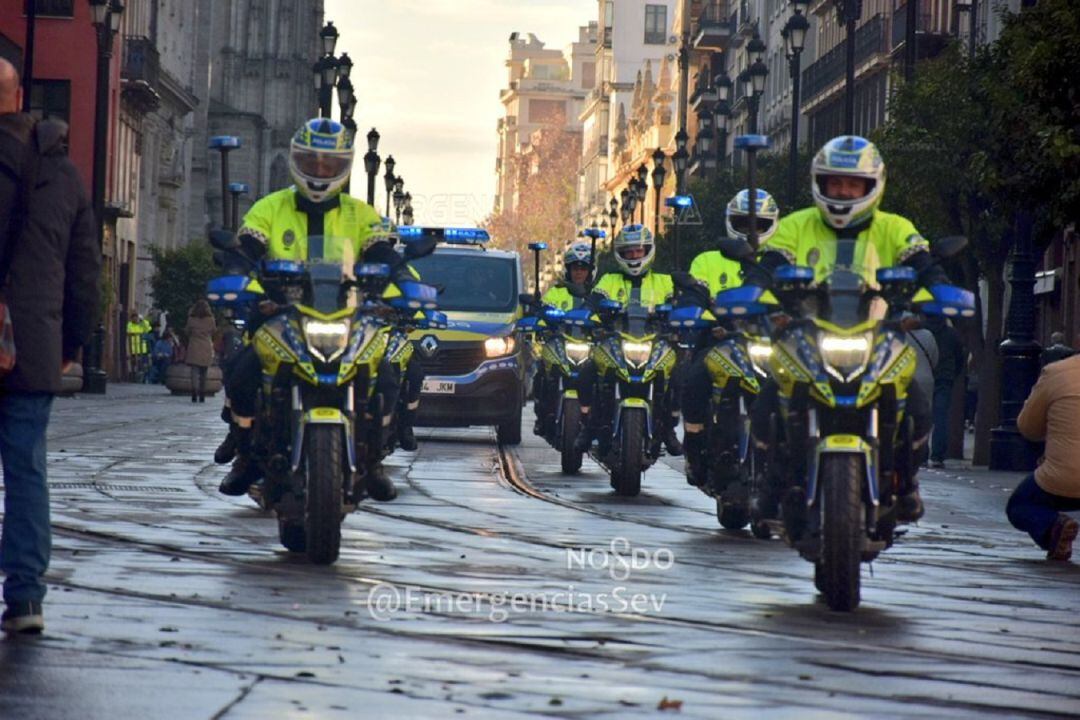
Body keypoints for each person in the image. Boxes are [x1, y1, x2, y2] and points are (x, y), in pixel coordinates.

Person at [753, 135, 950, 523]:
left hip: (878, 333)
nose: (843, 191)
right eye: (835, 183)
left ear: (871, 186)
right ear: (820, 184)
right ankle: (773, 483)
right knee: (769, 397)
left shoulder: (895, 228)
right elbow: (767, 267)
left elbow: (926, 265)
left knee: (918, 398)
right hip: (809, 333)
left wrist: (944, 295)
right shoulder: (795, 226)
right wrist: (752, 294)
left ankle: (906, 480)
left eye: (852, 184)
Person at [218, 117, 398, 500]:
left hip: (345, 316)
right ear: (297, 161)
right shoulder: (270, 208)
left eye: (328, 164)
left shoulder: (361, 215)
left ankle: (375, 457)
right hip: (279, 314)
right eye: (312, 162)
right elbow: (248, 248)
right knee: (242, 372)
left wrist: (401, 286)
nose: (319, 171)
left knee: (386, 374)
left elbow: (383, 252)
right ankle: (246, 450)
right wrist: (237, 273)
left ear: (343, 166)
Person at [0, 56, 100, 634]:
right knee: (27, 471)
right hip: (34, 345)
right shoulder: (64, 175)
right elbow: (83, 270)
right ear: (20, 101)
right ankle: (26, 599)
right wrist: (72, 342)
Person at [681, 189, 779, 487]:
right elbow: (694, 295)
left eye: (759, 224)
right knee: (694, 378)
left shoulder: (781, 259)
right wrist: (699, 313)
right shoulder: (707, 260)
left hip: (773, 344)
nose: (750, 231)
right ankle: (695, 447)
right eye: (742, 223)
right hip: (720, 341)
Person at [573, 225, 682, 456]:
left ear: (648, 251)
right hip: (615, 341)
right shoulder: (609, 280)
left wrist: (679, 317)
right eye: (628, 252)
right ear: (620, 254)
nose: (634, 257)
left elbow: (678, 306)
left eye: (638, 251)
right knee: (586, 373)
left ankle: (669, 427)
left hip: (655, 343)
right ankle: (588, 423)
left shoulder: (664, 281)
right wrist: (586, 314)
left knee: (679, 375)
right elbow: (593, 301)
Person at [1007, 353, 1080, 560]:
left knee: (1021, 505)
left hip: (1064, 477)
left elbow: (1028, 427)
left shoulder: (1057, 372)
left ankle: (1053, 527)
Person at [533, 241, 593, 435]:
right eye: (575, 267)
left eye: (583, 268)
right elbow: (544, 310)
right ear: (568, 269)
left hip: (589, 345)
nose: (579, 272)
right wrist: (541, 320)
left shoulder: (598, 294)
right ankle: (542, 415)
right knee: (543, 371)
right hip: (560, 343)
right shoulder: (557, 291)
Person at [926, 315, 964, 468]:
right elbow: (959, 357)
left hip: (926, 376)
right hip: (944, 378)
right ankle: (937, 455)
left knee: (922, 416)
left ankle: (921, 453)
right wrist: (952, 374)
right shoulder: (952, 333)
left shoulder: (923, 333)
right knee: (941, 418)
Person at [185, 300, 216, 403]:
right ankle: (202, 393)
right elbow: (214, 331)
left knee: (194, 371)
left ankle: (194, 392)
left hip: (194, 345)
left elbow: (187, 331)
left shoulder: (191, 319)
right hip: (206, 346)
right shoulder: (211, 319)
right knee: (204, 372)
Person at [126, 311, 152, 381]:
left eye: (136, 318)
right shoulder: (130, 324)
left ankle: (142, 377)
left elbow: (148, 329)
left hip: (142, 348)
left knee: (143, 364)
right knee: (134, 362)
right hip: (133, 348)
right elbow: (129, 332)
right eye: (134, 318)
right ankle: (135, 376)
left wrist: (143, 320)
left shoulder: (142, 324)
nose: (135, 320)